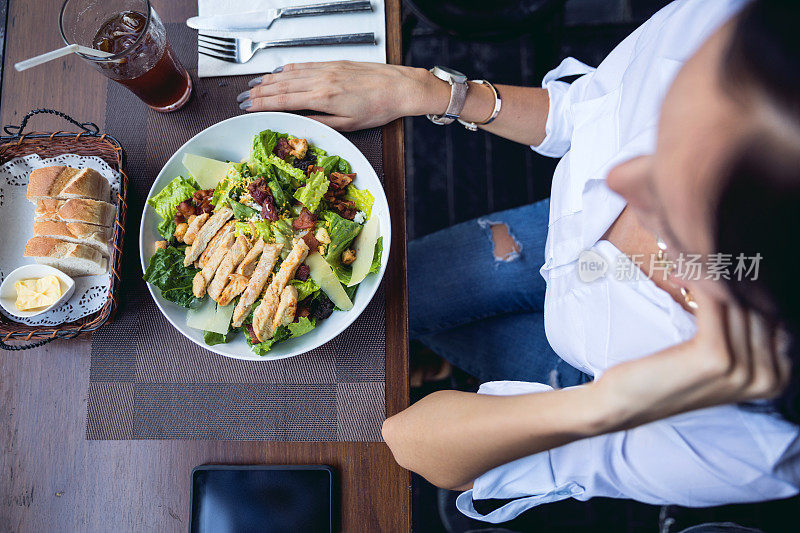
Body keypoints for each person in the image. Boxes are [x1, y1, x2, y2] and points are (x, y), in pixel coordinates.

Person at [238, 0, 800, 523]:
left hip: (588, 377)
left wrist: (612, 401)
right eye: (664, 126)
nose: (620, 179)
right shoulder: (734, 19)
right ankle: (431, 361)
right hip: (555, 249)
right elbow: (585, 112)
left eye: (673, 202)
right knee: (398, 299)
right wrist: (417, 89)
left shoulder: (755, 445)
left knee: (397, 330)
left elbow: (411, 442)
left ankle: (439, 362)